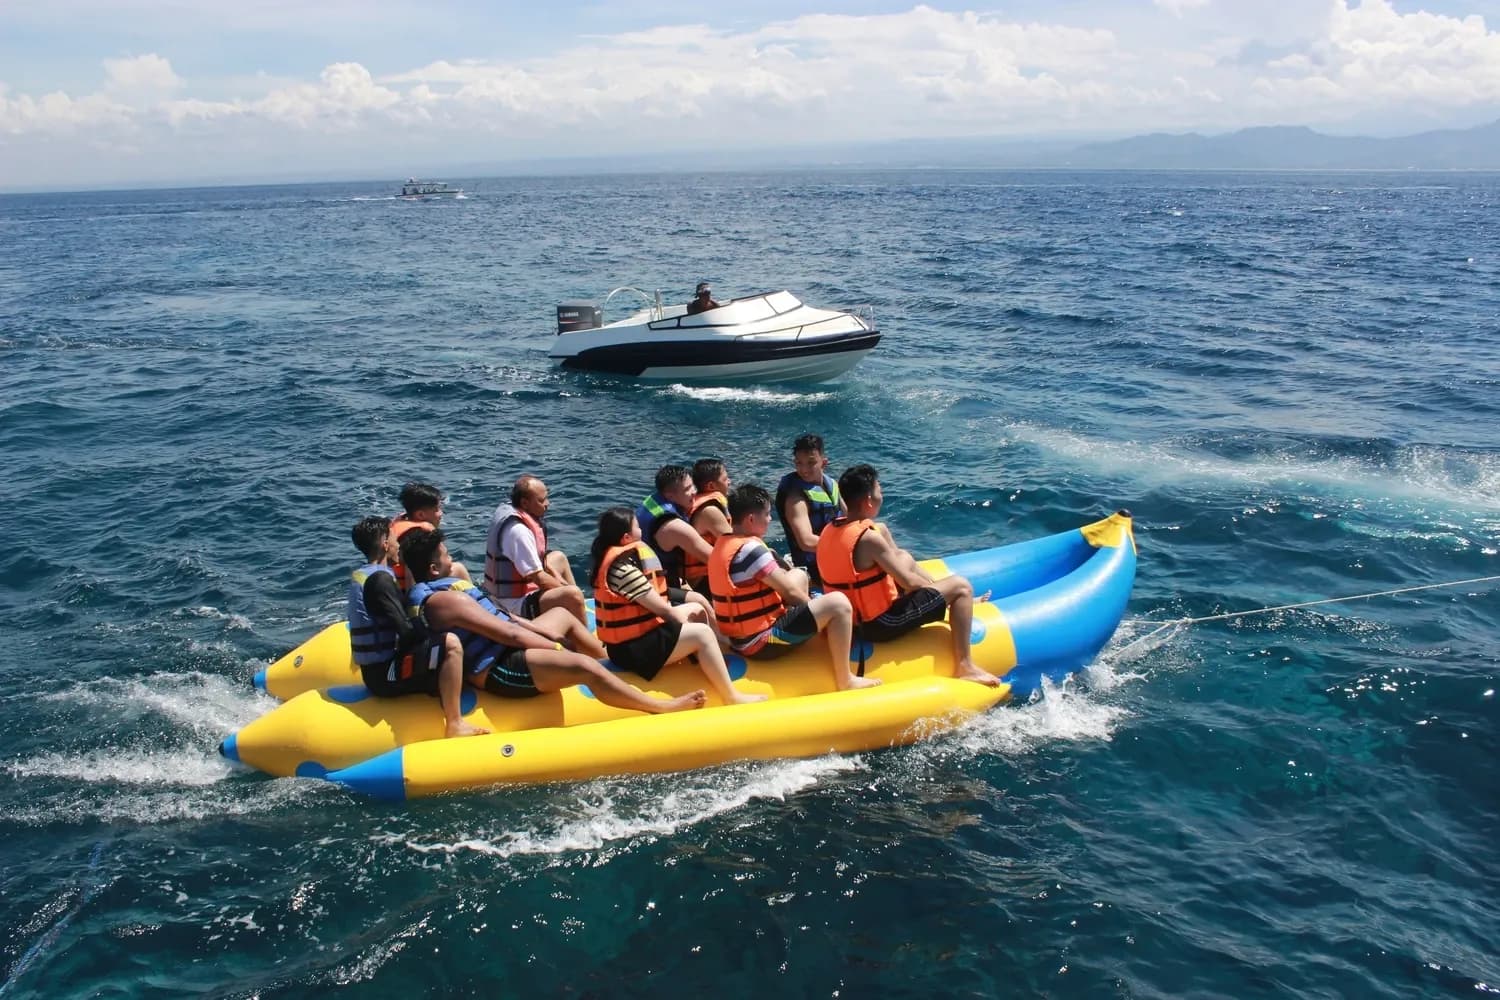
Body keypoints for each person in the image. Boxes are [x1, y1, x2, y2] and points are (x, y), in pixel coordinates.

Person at [400, 527, 706, 714]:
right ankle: (658, 706)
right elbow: (510, 635)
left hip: (507, 647)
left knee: (561, 615)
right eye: (444, 555)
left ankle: (612, 669)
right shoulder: (444, 600)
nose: (450, 558)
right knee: (582, 666)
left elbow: (506, 617)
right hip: (498, 668)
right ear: (432, 568)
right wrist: (557, 649)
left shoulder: (451, 587)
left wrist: (542, 631)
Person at [816, 464, 999, 688]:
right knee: (961, 586)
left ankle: (949, 604)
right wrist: (941, 592)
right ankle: (965, 666)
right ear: (869, 502)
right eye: (879, 491)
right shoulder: (868, 539)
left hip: (850, 621)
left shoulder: (829, 530)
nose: (882, 495)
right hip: (879, 624)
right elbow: (909, 582)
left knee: (902, 556)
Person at [709, 485, 881, 692]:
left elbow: (784, 586)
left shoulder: (725, 543)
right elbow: (789, 593)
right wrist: (821, 617)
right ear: (751, 519)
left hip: (738, 636)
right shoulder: (751, 550)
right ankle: (846, 680)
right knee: (838, 603)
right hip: (759, 643)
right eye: (766, 514)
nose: (770, 519)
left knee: (798, 574)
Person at [590, 507, 767, 706]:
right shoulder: (623, 570)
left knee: (696, 608)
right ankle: (731, 696)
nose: (642, 530)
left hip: (639, 638)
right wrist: (683, 627)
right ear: (626, 537)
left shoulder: (623, 560)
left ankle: (720, 659)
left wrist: (689, 612)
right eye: (637, 527)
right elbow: (664, 610)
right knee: (701, 633)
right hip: (632, 652)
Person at [347, 516, 487, 738]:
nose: (398, 546)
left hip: (374, 671)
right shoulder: (381, 580)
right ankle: (455, 723)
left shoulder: (363, 575)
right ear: (385, 544)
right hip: (385, 676)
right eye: (395, 540)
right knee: (450, 644)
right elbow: (406, 632)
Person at [482, 474, 588, 626]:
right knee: (573, 595)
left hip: (518, 588)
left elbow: (537, 566)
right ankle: (583, 642)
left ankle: (577, 613)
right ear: (524, 503)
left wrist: (556, 577)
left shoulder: (514, 510)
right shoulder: (518, 531)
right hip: (513, 604)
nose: (547, 504)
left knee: (558, 557)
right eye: (541, 500)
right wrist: (565, 588)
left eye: (546, 498)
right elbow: (538, 578)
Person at [635, 465, 714, 598]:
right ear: (670, 496)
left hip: (641, 580)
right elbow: (715, 559)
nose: (694, 491)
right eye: (687, 489)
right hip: (657, 589)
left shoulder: (653, 501)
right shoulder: (673, 527)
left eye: (693, 485)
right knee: (702, 601)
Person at [774, 433, 844, 585]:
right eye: (799, 463)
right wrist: (845, 547)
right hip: (815, 568)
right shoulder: (796, 498)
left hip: (836, 556)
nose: (804, 469)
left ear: (823, 463)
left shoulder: (832, 484)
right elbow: (806, 541)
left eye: (811, 463)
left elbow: (850, 518)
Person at [391, 481, 470, 588]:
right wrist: (414, 599)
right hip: (406, 587)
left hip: (394, 579)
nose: (441, 513)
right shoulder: (417, 535)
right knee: (458, 569)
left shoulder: (401, 521)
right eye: (437, 509)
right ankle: (478, 601)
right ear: (420, 514)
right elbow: (410, 569)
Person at [681, 458, 733, 596]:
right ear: (711, 486)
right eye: (725, 479)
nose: (729, 482)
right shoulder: (709, 511)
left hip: (704, 576)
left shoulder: (698, 502)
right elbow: (736, 546)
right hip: (703, 581)